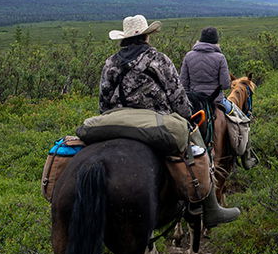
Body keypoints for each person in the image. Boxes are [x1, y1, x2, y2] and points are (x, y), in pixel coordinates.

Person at [100, 15, 239, 227]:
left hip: (115, 119)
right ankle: (211, 208)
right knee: (196, 143)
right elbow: (177, 95)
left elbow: (103, 101)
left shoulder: (111, 62)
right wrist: (186, 117)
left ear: (123, 39)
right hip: (155, 120)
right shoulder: (159, 59)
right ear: (147, 36)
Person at [181, 26, 232, 115]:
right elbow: (225, 85)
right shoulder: (220, 58)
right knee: (235, 113)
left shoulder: (188, 56)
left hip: (194, 101)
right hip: (216, 100)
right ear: (216, 40)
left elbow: (183, 83)